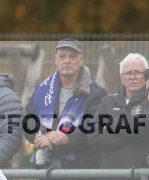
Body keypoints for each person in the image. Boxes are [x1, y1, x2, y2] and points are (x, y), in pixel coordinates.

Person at [26, 37, 107, 169]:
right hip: (45, 168)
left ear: (81, 60)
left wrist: (54, 143)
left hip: (81, 170)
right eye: (62, 56)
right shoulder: (41, 90)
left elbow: (90, 129)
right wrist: (45, 134)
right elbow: (28, 122)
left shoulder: (96, 93)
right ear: (56, 60)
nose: (67, 61)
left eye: (72, 56)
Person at [87, 53, 149, 170]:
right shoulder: (108, 101)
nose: (132, 77)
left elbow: (144, 127)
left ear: (146, 75)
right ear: (122, 77)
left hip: (141, 174)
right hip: (109, 175)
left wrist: (108, 127)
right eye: (128, 73)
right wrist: (132, 132)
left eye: (138, 72)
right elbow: (93, 137)